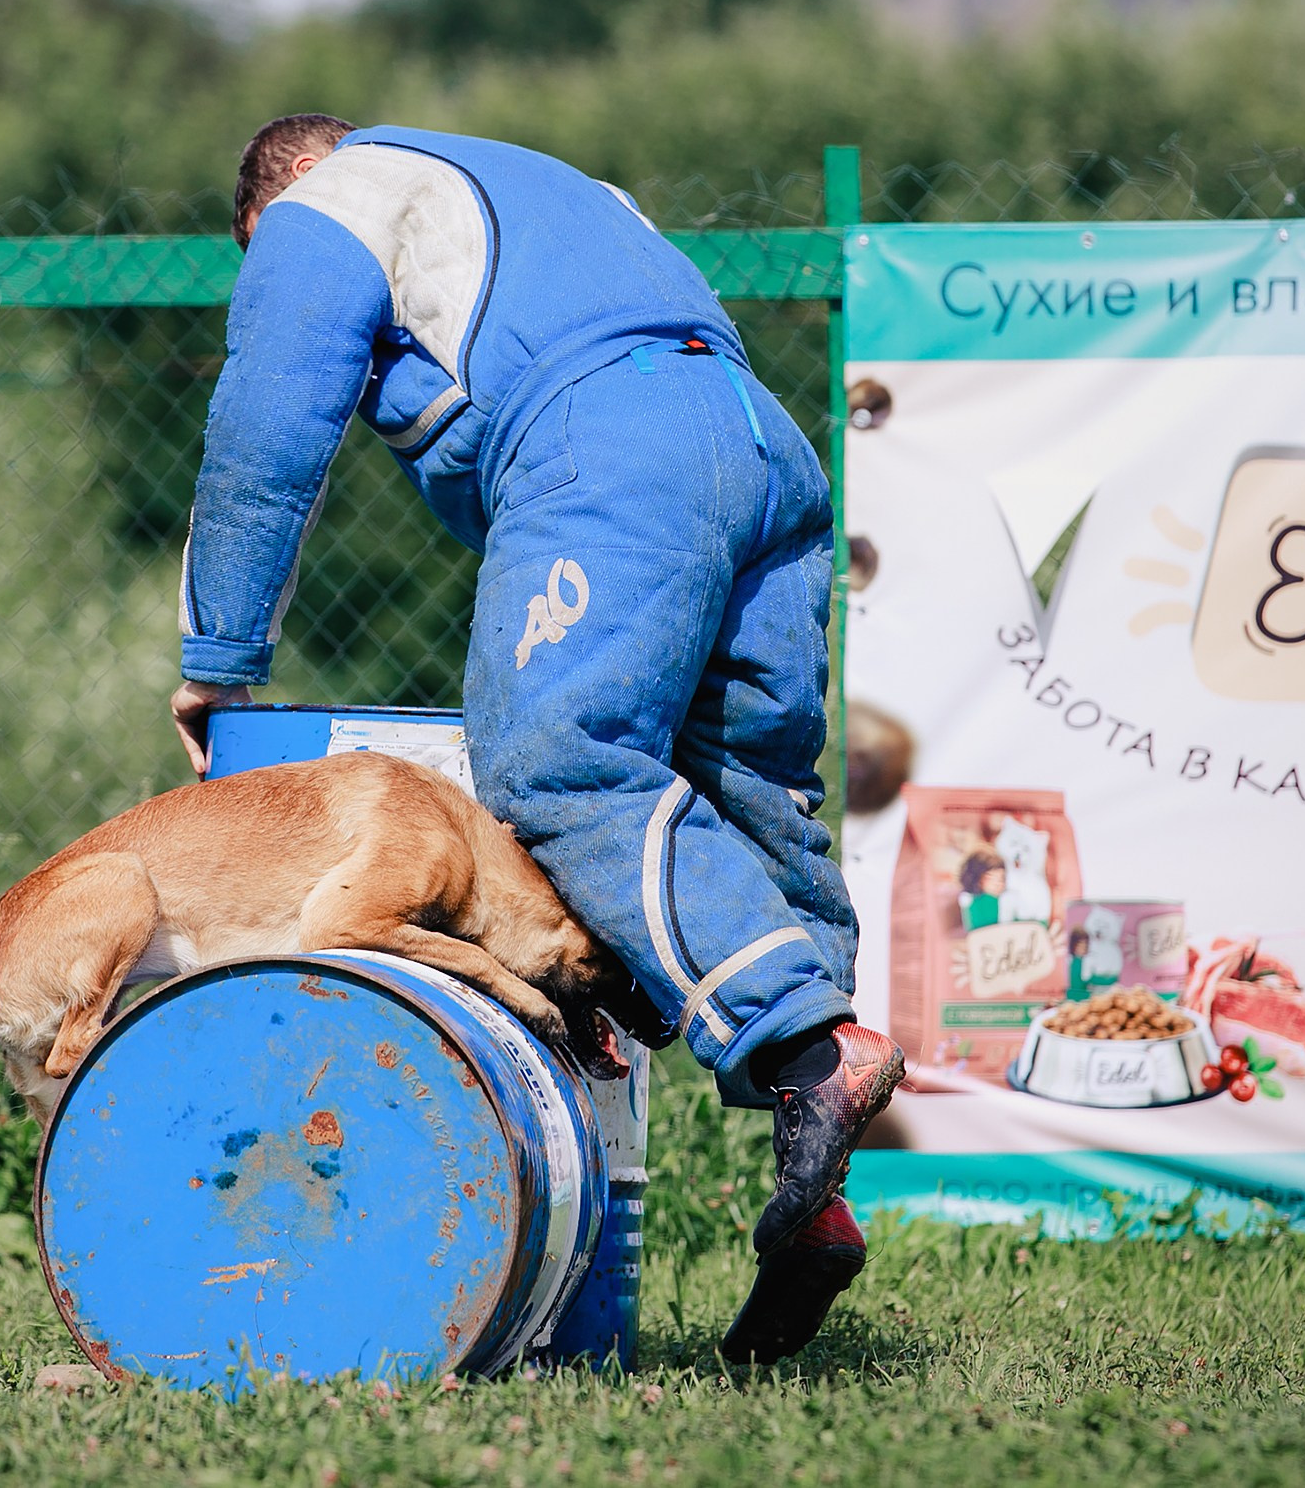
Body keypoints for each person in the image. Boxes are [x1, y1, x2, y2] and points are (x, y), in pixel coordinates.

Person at [168, 115, 905, 1362]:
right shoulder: (550, 185)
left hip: (609, 445)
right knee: (749, 800)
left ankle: (806, 1048)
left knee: (558, 764)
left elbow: (263, 434)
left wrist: (218, 663)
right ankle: (815, 1194)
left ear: (272, 201)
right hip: (758, 443)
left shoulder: (324, 202)